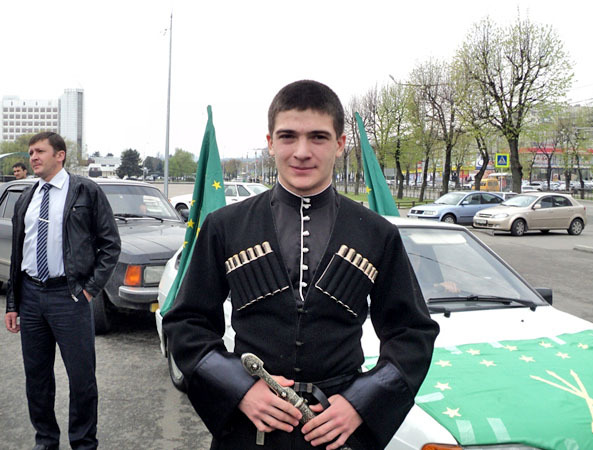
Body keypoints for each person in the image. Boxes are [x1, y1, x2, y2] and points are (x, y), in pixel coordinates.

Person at [163, 80, 439, 450]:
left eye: (319, 137)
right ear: (270, 142)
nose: (302, 152)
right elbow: (186, 324)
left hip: (338, 432)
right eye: (288, 136)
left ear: (340, 144)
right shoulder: (225, 226)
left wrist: (360, 403)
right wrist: (240, 389)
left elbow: (412, 333)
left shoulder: (377, 233)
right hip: (249, 431)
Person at [4, 132, 121, 450]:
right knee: (37, 379)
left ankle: (83, 443)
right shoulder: (27, 198)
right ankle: (45, 441)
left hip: (68, 297)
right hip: (31, 296)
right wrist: (13, 303)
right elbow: (19, 254)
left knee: (82, 380)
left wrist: (90, 290)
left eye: (40, 151)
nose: (33, 157)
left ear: (60, 155)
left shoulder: (85, 191)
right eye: (31, 152)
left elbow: (110, 244)